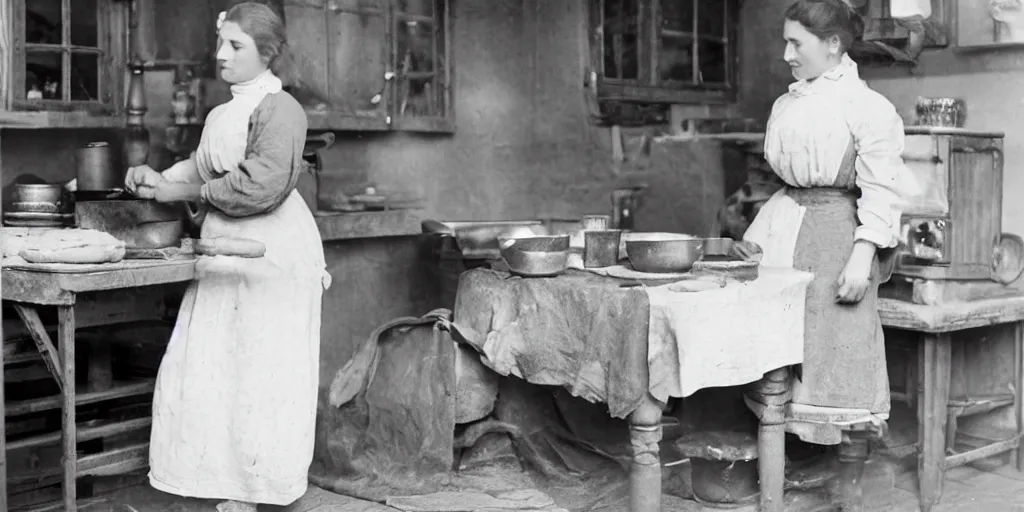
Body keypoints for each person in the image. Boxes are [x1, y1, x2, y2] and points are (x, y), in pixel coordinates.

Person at [124, 3, 329, 511]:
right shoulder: (222, 114)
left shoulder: (282, 110)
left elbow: (260, 185)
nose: (221, 55)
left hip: (272, 257)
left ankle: (262, 489)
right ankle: (227, 489)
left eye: (236, 46)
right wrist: (157, 179)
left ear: (268, 52)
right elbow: (199, 165)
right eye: (222, 43)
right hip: (223, 254)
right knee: (212, 369)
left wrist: (180, 193)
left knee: (262, 377)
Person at [740, 0, 918, 509]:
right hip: (784, 229)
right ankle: (783, 475)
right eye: (786, 41)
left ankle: (852, 489)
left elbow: (882, 190)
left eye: (797, 43)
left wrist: (862, 255)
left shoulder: (867, 108)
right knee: (781, 358)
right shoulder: (786, 104)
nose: (786, 53)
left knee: (842, 359)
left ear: (834, 44)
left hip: (837, 237)